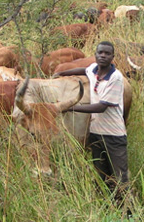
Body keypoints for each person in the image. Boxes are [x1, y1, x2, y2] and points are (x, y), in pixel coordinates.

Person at [53, 41, 130, 205]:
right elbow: (83, 70)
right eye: (100, 52)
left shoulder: (115, 78)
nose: (103, 55)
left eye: (107, 53)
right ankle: (107, 208)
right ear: (95, 54)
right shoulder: (94, 70)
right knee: (101, 176)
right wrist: (62, 74)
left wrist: (72, 108)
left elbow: (102, 107)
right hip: (95, 134)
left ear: (112, 57)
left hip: (114, 136)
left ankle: (127, 213)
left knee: (120, 177)